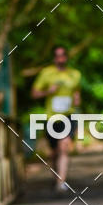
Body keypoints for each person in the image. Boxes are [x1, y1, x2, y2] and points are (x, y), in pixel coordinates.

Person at [31, 45, 81, 192]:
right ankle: (56, 177)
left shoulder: (75, 74)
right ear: (54, 58)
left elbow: (77, 92)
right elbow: (34, 93)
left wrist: (77, 99)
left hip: (69, 115)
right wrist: (48, 91)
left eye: (63, 55)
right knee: (54, 152)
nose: (60, 58)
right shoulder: (47, 73)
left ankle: (61, 181)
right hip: (51, 117)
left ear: (66, 57)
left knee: (64, 146)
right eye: (57, 55)